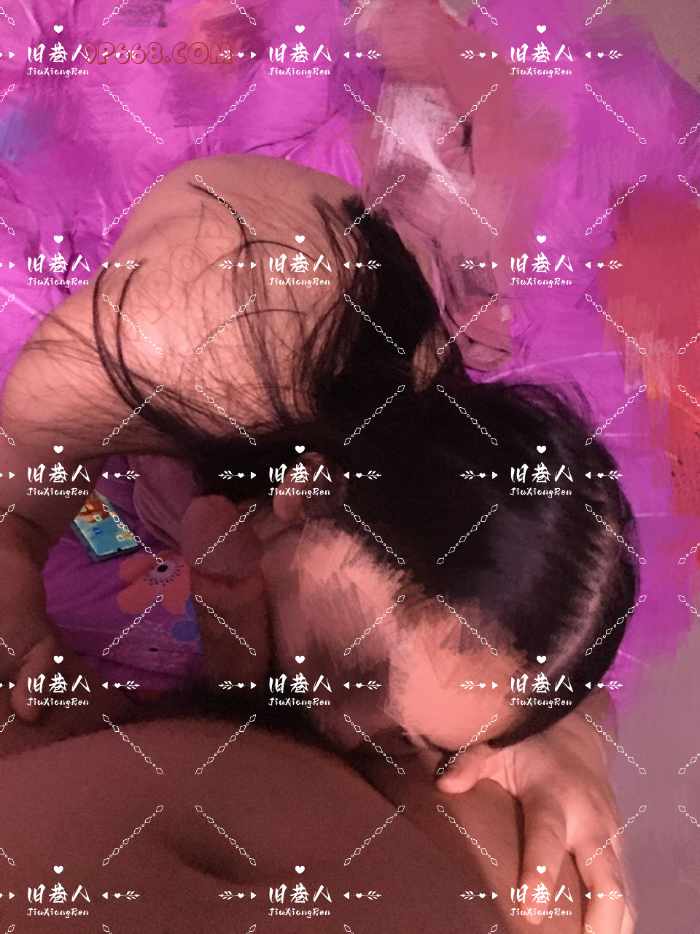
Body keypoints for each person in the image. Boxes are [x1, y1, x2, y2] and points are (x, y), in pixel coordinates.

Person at [0, 154, 635, 933]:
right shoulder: (178, 330)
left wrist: (564, 738)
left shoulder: (434, 521)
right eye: (347, 670)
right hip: (219, 312)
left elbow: (513, 639)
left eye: (411, 743)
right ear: (307, 493)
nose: (340, 735)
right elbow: (15, 520)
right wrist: (20, 624)